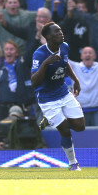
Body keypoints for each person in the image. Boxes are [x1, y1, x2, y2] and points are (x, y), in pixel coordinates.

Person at [31, 22, 84, 171]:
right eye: (57, 32)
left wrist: (76, 80)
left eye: (61, 30)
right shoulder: (40, 54)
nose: (61, 33)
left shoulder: (65, 47)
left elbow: (65, 64)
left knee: (80, 127)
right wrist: (45, 64)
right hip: (47, 98)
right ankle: (73, 163)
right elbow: (34, 81)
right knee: (65, 130)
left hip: (63, 92)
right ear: (48, 36)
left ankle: (50, 119)